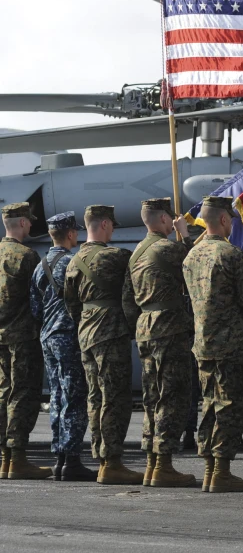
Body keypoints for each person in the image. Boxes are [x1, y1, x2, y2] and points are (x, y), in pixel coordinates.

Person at [182, 196, 243, 493]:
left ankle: (210, 470)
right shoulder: (231, 255)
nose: (232, 225)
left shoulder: (191, 256)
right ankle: (221, 472)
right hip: (231, 344)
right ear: (223, 220)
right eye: (232, 220)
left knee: (209, 405)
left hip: (203, 343)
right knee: (231, 406)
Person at [64, 205, 142, 485]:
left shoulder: (73, 261)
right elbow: (133, 294)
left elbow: (71, 304)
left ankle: (101, 458)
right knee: (115, 398)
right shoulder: (118, 256)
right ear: (106, 224)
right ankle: (113, 462)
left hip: (86, 334)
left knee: (95, 397)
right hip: (111, 334)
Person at [122, 197, 196, 488]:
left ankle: (152, 464)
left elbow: (128, 300)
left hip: (145, 327)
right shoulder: (168, 248)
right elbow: (197, 266)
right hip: (169, 328)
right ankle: (163, 464)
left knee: (152, 397)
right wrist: (186, 235)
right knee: (172, 396)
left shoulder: (137, 251)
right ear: (164, 219)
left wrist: (137, 327)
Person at [29, 211, 96, 482]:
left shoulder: (41, 264)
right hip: (69, 336)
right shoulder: (74, 261)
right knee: (74, 396)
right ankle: (72, 460)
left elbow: (35, 308)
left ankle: (59, 459)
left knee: (57, 395)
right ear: (70, 234)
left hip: (48, 336)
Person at [0, 202, 51, 480]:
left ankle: (5, 459)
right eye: (29, 221)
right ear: (21, 223)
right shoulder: (27, 256)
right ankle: (17, 458)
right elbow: (37, 301)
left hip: (1, 336)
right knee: (22, 394)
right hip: (22, 337)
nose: (31, 225)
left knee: (3, 392)